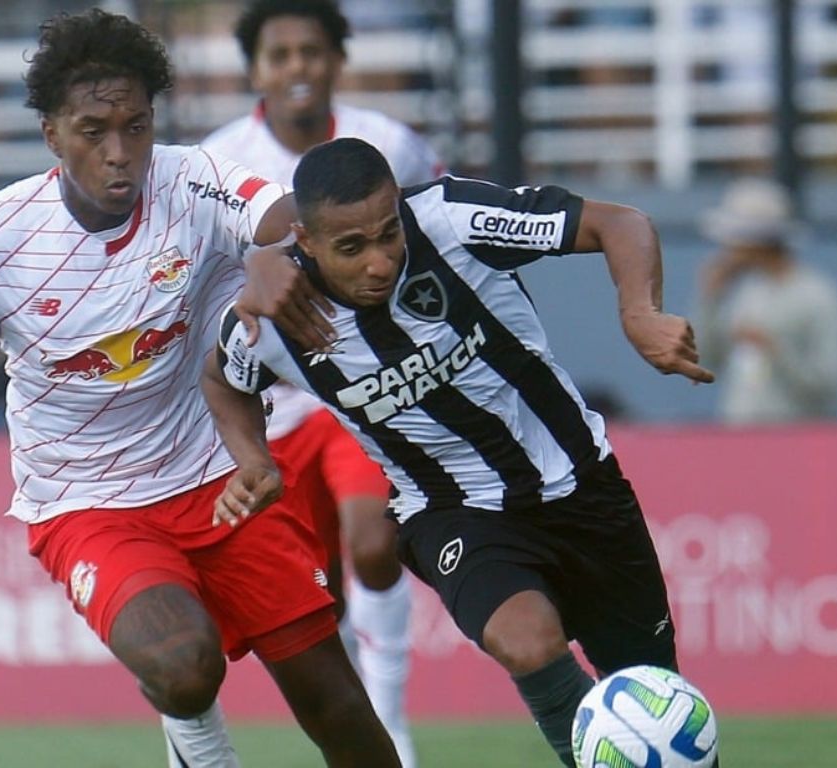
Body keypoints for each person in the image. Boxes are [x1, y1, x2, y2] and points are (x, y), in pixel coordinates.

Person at [0, 11, 397, 768]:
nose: (120, 154)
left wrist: (271, 250)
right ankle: (198, 745)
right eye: (94, 130)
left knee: (339, 707)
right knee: (186, 668)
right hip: (87, 504)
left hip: (219, 480)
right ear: (52, 134)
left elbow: (280, 216)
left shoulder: (194, 182)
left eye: (136, 126)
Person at [199, 138, 716, 768]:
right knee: (527, 642)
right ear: (305, 242)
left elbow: (620, 222)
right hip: (448, 508)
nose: (381, 262)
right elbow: (223, 380)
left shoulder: (450, 218)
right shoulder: (276, 315)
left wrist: (640, 314)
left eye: (388, 233)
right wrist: (254, 460)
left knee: (655, 699)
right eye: (351, 248)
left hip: (583, 483)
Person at [201, 3, 443, 763]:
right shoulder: (217, 162)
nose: (297, 67)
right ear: (255, 70)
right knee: (322, 592)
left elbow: (438, 243)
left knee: (376, 541)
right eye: (280, 54)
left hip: (370, 391)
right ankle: (366, 731)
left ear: (338, 59)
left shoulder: (390, 143)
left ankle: (395, 729)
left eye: (312, 50)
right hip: (272, 406)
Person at [695, 177, 837, 423]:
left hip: (794, 437)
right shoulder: (745, 290)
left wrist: (774, 349)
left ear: (759, 242)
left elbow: (828, 386)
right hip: (738, 433)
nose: (727, 248)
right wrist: (710, 300)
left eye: (735, 239)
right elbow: (706, 361)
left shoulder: (817, 295)